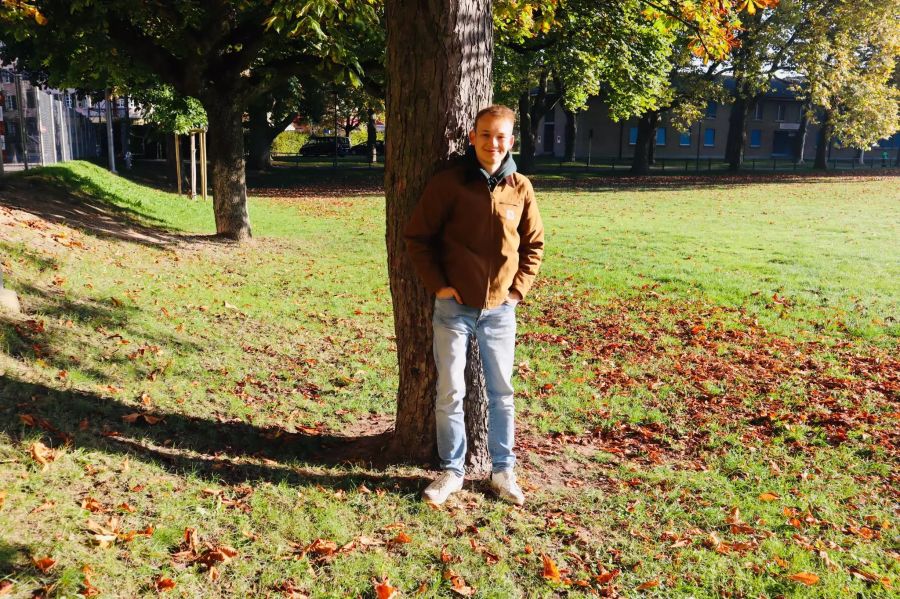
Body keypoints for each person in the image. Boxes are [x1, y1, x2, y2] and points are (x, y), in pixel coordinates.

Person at [404, 104, 544, 506]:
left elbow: (534, 244)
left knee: (501, 393)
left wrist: (517, 291)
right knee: (450, 390)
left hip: (500, 311)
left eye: (500, 136)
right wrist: (440, 286)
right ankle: (452, 473)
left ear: (511, 141)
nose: (492, 143)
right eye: (485, 135)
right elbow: (418, 238)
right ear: (472, 137)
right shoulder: (449, 184)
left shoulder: (521, 188)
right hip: (454, 309)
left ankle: (503, 472)